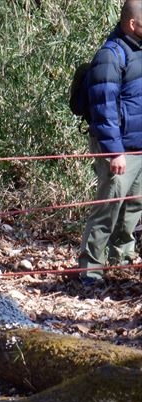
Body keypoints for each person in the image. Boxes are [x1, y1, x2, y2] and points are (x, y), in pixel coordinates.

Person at [78, 0, 142, 286]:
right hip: (118, 149)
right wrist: (115, 152)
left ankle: (122, 258)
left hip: (139, 146)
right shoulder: (110, 55)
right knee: (108, 206)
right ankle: (90, 270)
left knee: (133, 206)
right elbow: (103, 107)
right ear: (132, 24)